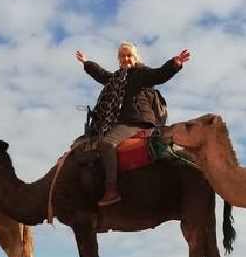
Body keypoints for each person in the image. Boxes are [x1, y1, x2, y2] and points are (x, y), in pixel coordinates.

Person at [77, 42, 191, 206]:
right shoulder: (115, 78)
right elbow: (100, 74)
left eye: (129, 55)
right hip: (123, 123)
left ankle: (111, 190)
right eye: (122, 56)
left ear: (135, 57)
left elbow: (159, 75)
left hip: (137, 121)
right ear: (119, 59)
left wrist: (174, 64)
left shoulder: (141, 73)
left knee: (107, 143)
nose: (126, 59)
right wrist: (86, 63)